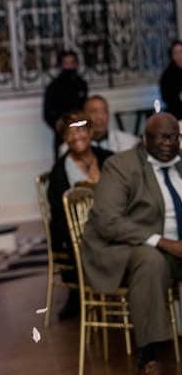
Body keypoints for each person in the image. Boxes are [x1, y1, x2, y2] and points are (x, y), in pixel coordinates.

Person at [82, 112, 182, 375]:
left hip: (175, 249)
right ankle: (148, 353)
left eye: (174, 137)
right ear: (144, 138)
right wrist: (163, 242)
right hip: (126, 247)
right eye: (162, 137)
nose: (168, 143)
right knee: (151, 260)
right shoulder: (122, 165)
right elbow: (107, 220)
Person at [47, 111, 112, 320]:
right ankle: (83, 294)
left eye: (82, 129)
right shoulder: (59, 172)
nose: (77, 136)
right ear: (65, 138)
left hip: (112, 224)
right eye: (70, 132)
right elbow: (58, 217)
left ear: (91, 132)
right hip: (77, 234)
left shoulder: (108, 158)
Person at [43, 50, 88, 160]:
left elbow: (85, 109)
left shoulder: (81, 84)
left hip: (82, 132)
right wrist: (63, 127)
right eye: (66, 63)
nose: (69, 67)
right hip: (63, 135)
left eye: (72, 63)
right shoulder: (54, 87)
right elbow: (48, 114)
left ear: (76, 64)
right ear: (61, 65)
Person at [58, 95, 139, 156]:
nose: (100, 117)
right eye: (94, 111)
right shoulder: (68, 148)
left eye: (104, 111)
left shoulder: (130, 143)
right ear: (84, 115)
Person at [159, 40, 182, 119]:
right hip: (176, 115)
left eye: (181, 52)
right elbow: (166, 97)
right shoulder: (167, 75)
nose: (179, 56)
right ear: (172, 56)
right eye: (176, 53)